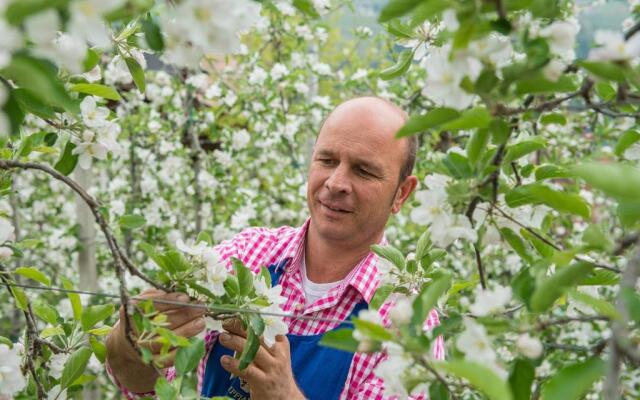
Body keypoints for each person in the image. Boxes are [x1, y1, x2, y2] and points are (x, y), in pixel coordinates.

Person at [105, 96, 444, 400]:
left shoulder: (406, 322)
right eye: (326, 160)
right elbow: (140, 383)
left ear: (401, 193)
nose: (336, 183)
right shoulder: (248, 256)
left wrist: (283, 396)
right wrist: (130, 344)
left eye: (364, 170)